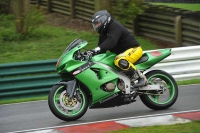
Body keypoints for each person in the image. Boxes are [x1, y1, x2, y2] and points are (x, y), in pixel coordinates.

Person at [90, 10, 147, 87]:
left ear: (104, 20)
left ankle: (141, 78)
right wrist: (90, 55)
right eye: (95, 24)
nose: (97, 26)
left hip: (134, 49)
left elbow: (111, 41)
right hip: (122, 53)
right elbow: (101, 50)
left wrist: (96, 49)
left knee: (119, 60)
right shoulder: (103, 34)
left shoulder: (115, 26)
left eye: (98, 23)